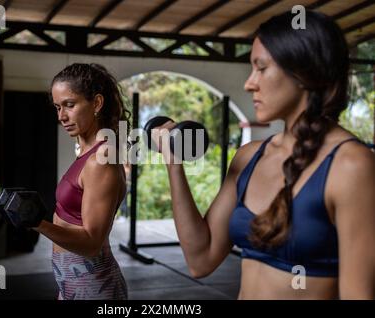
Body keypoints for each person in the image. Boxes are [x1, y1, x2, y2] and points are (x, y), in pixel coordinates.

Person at [153, 11, 375, 299]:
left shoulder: (352, 166)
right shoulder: (249, 158)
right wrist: (173, 162)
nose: (249, 83)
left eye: (261, 68)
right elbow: (200, 259)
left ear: (304, 72)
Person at [34, 63, 130, 300]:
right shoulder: (86, 152)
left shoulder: (101, 159)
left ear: (96, 103)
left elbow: (91, 244)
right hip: (72, 284)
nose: (61, 116)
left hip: (94, 288)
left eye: (69, 105)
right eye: (57, 107)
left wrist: (36, 222)